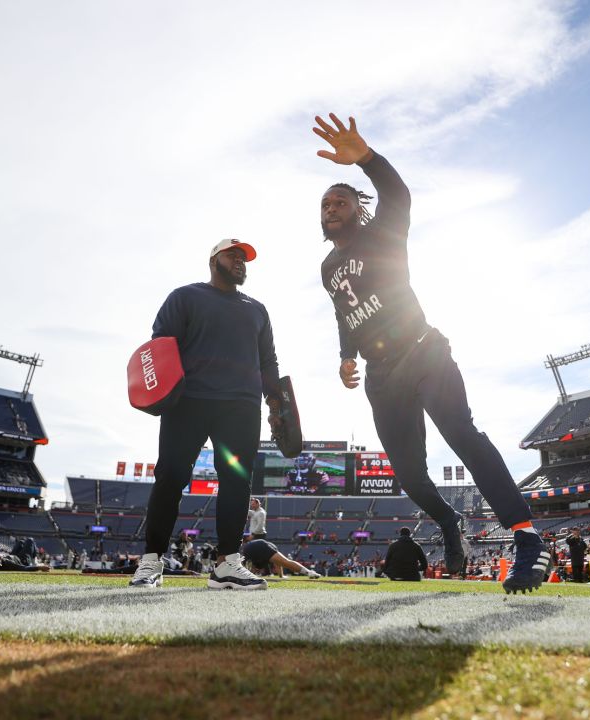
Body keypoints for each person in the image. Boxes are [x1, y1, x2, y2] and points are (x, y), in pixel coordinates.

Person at [312, 113, 549, 594]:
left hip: (423, 351)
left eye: (340, 200)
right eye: (325, 203)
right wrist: (345, 355)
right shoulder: (327, 266)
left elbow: (398, 196)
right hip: (381, 376)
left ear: (357, 209)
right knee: (412, 480)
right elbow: (344, 314)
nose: (331, 207)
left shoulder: (382, 234)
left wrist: (368, 160)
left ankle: (527, 538)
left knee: (461, 432)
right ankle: (448, 523)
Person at [129, 238, 284, 592]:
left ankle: (228, 564)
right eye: (234, 255)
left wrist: (277, 406)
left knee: (236, 482)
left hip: (242, 405)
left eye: (245, 258)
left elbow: (269, 362)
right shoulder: (185, 297)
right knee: (171, 477)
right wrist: (161, 394)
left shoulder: (257, 309)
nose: (242, 262)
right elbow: (159, 347)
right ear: (214, 260)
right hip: (190, 401)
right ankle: (151, 561)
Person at [241, 539, 322, 579]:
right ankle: (308, 572)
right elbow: (277, 563)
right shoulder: (252, 558)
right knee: (285, 562)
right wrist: (281, 576)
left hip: (259, 546)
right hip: (258, 545)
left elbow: (278, 563)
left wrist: (281, 575)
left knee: (285, 562)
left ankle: (309, 572)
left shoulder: (252, 558)